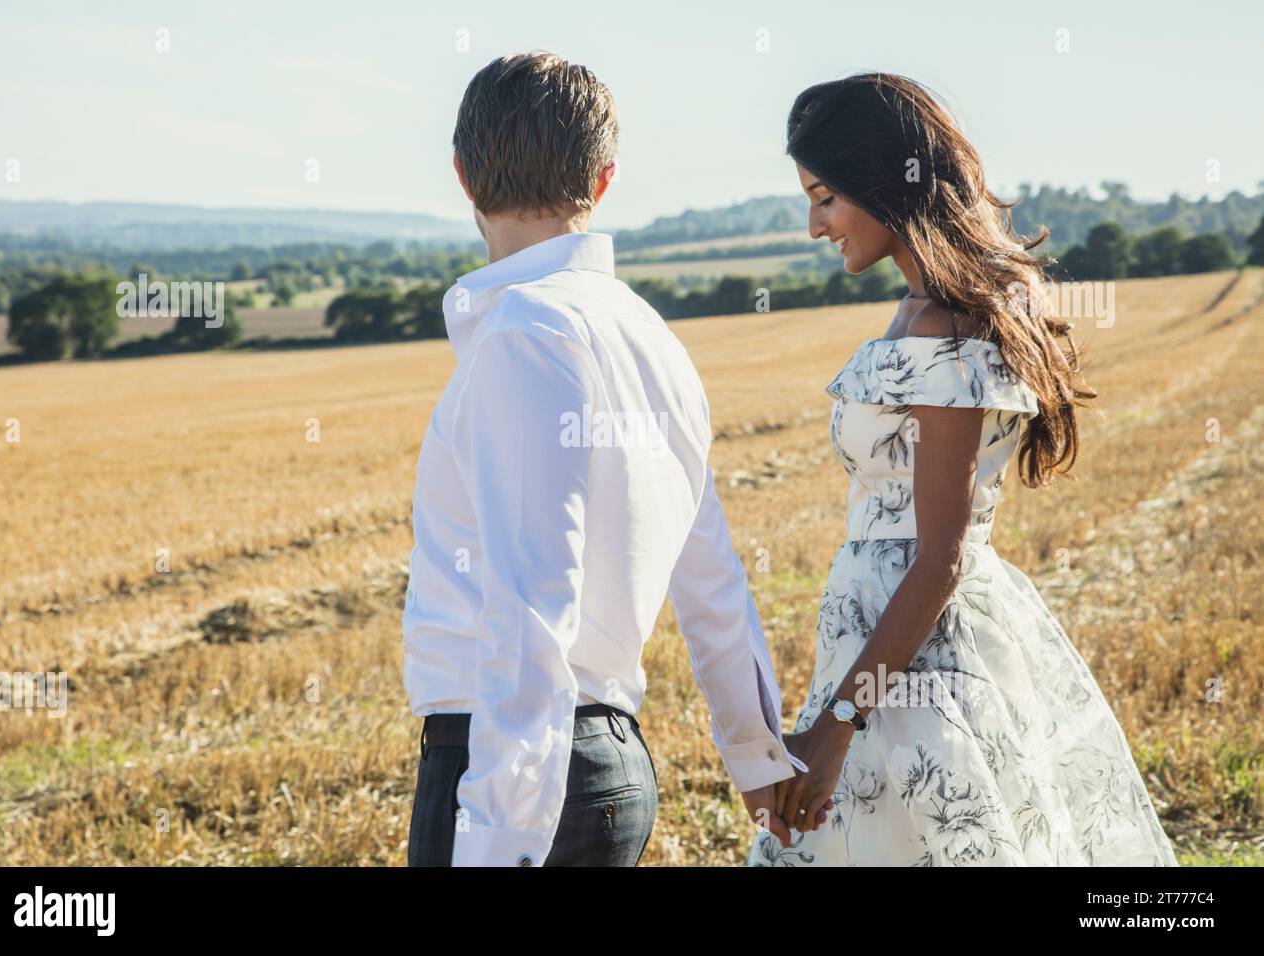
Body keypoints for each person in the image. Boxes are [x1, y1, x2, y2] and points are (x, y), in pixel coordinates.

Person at [747, 73, 1179, 866]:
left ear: (882, 183)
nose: (815, 225)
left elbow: (938, 558)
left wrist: (837, 730)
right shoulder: (920, 312)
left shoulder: (941, 326)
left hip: (919, 665)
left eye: (825, 197)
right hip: (877, 646)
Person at [402, 51, 820, 867]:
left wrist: (502, 848)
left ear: (460, 174)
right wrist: (754, 754)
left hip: (513, 782)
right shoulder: (652, 339)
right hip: (609, 767)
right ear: (603, 181)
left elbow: (532, 609)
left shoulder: (523, 334)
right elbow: (712, 580)